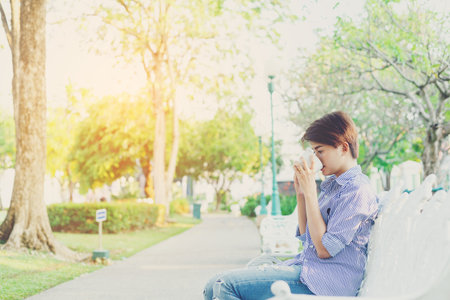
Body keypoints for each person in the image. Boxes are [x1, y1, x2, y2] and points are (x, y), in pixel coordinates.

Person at [203, 111, 379, 299]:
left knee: (225, 285)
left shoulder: (357, 190)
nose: (316, 158)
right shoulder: (334, 186)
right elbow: (307, 237)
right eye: (314, 152)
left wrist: (312, 193)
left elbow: (324, 250)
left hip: (327, 281)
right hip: (309, 271)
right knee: (212, 285)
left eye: (320, 151)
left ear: (343, 148)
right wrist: (301, 194)